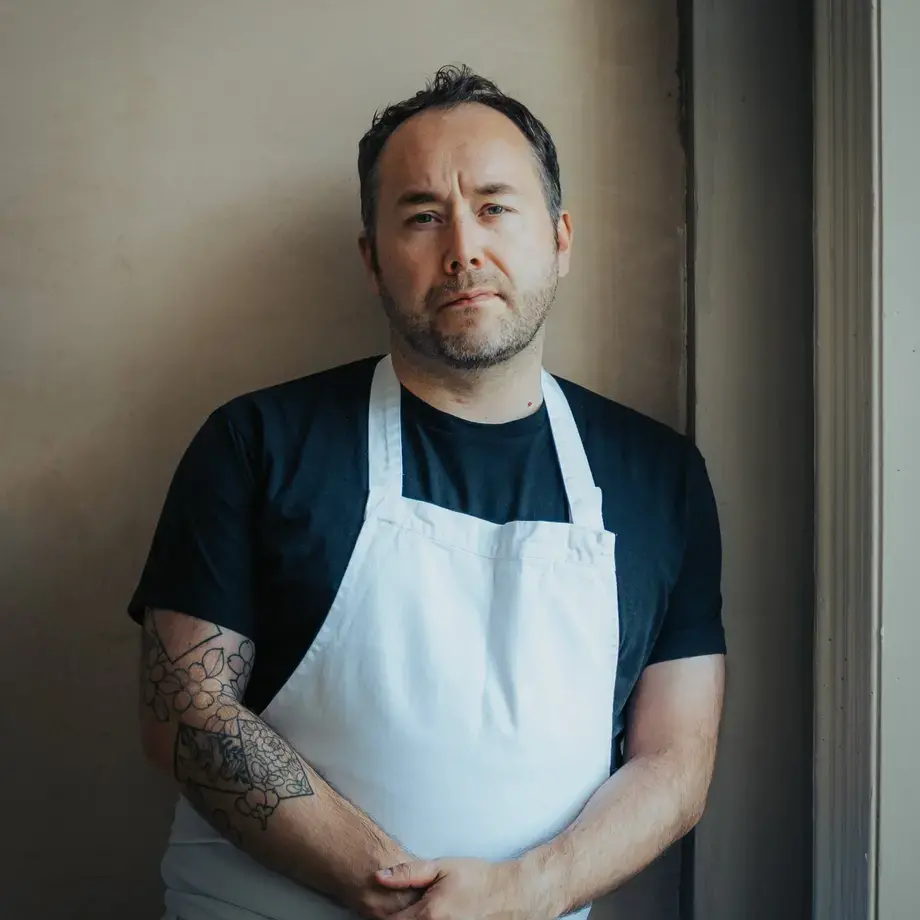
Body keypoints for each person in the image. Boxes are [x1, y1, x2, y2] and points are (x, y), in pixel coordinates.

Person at [131, 64, 726, 920]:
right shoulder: (256, 444)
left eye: (494, 206)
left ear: (560, 238)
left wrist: (525, 893)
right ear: (373, 261)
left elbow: (675, 762)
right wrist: (400, 896)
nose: (463, 250)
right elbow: (184, 718)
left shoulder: (660, 477)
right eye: (421, 216)